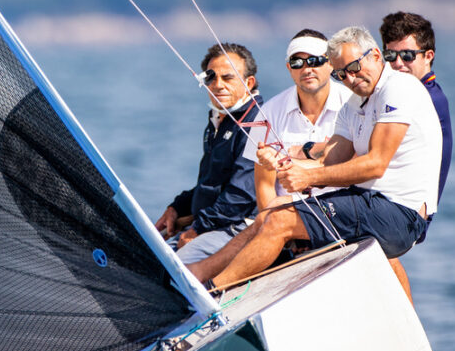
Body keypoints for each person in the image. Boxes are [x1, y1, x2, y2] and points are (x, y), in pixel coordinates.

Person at [187, 26, 441, 292]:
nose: (350, 78)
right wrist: (282, 163)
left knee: (281, 220)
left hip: (399, 212)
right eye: (342, 74)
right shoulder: (353, 104)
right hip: (369, 202)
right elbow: (331, 160)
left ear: (376, 55)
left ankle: (211, 292)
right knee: (273, 213)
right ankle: (205, 279)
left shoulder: (398, 87)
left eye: (354, 67)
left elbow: (375, 164)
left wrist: (307, 176)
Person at [154, 43, 263, 264]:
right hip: (212, 223)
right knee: (147, 257)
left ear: (249, 83)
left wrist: (197, 229)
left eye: (228, 78)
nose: (218, 85)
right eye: (211, 78)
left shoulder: (257, 123)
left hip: (240, 227)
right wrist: (177, 208)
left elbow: (241, 196)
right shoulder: (218, 120)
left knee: (175, 266)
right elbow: (212, 183)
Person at [379, 11, 453, 302]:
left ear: (428, 56)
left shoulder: (426, 99)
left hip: (412, 209)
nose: (398, 64)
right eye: (391, 55)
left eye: (408, 55)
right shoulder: (402, 93)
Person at [242, 29, 352, 211]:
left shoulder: (353, 104)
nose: (307, 69)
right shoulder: (268, 112)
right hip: (285, 213)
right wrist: (271, 220)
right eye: (297, 62)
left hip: (342, 210)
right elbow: (264, 186)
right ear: (289, 68)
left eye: (315, 61)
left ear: (331, 63)